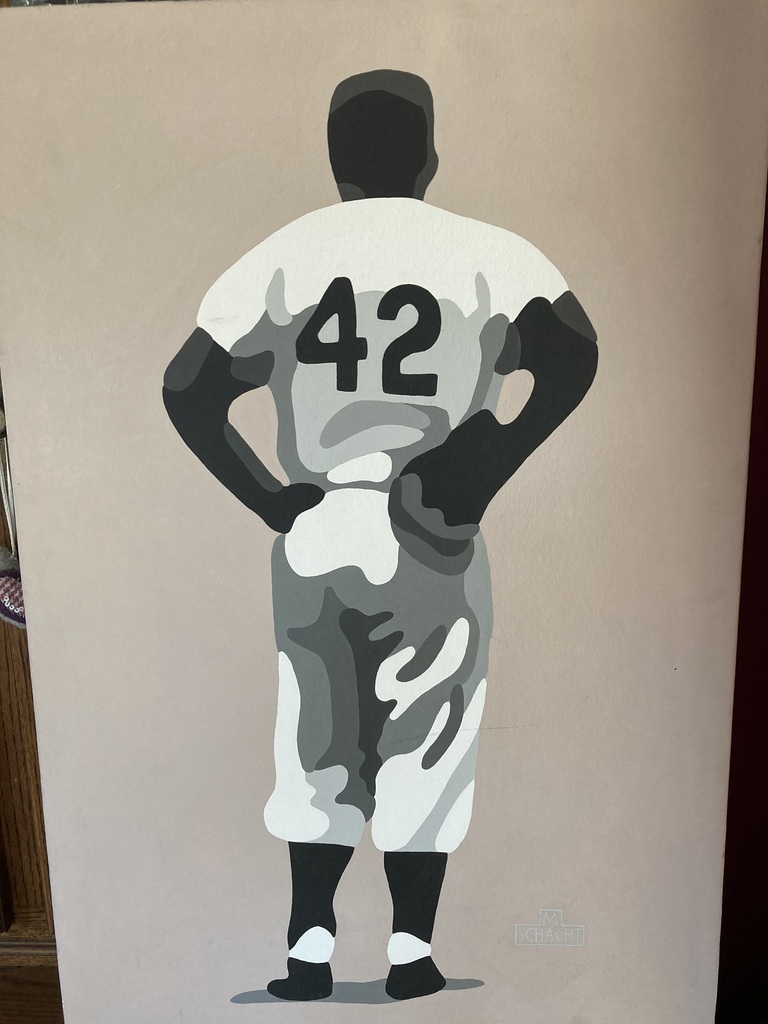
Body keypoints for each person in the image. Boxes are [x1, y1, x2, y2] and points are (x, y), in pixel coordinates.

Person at [162, 69, 598, 1002]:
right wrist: (494, 457)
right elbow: (573, 351)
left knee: (316, 739)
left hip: (319, 525)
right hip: (434, 528)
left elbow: (188, 388)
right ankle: (409, 955)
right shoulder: (489, 253)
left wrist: (269, 500)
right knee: (428, 738)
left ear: (335, 162)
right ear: (430, 156)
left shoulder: (283, 255)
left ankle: (308, 951)